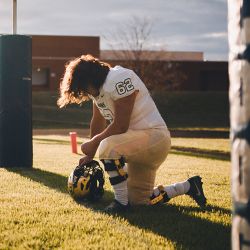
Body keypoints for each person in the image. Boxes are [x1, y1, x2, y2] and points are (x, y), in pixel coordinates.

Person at [57, 54, 207, 212]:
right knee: (140, 200)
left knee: (107, 147)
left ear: (90, 79)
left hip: (154, 138)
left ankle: (121, 203)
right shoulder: (99, 90)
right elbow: (98, 120)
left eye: (83, 87)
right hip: (137, 144)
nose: (84, 93)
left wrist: (94, 143)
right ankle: (188, 186)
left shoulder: (119, 77)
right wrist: (90, 154)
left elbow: (121, 125)